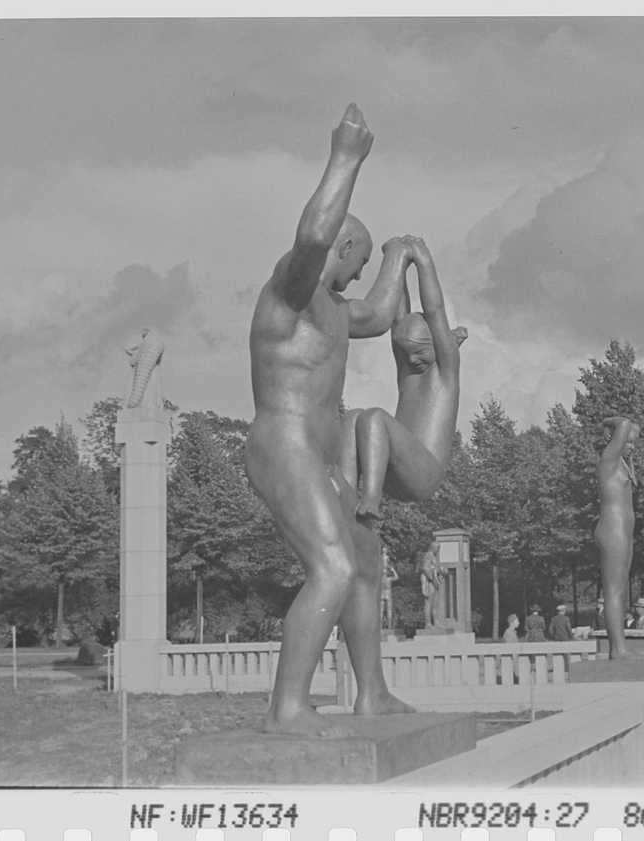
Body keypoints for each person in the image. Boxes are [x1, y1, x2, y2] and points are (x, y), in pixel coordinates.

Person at [243, 103, 413, 736]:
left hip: (321, 450)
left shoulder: (338, 310)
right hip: (281, 442)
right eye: (360, 260)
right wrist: (346, 158)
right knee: (334, 568)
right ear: (341, 246)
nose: (358, 274)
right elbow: (312, 239)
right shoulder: (289, 290)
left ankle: (372, 694)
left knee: (365, 560)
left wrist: (400, 255)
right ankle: (287, 707)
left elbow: (380, 311)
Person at [341, 236, 467, 519]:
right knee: (352, 418)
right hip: (393, 470)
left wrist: (422, 259)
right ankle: (347, 498)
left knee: (374, 418)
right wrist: (395, 260)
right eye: (405, 353)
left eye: (419, 352)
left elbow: (434, 311)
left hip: (424, 474)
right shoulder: (409, 369)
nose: (411, 360)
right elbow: (397, 317)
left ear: (438, 342)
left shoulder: (445, 371)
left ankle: (370, 503)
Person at [594, 417, 641, 658]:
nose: (631, 446)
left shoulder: (621, 462)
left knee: (620, 591)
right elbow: (623, 422)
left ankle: (619, 646)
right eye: (628, 441)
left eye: (634, 443)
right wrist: (606, 423)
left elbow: (632, 427)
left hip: (622, 531)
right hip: (613, 529)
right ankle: (617, 649)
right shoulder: (608, 460)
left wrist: (630, 455)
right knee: (613, 591)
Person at [418, 542, 442, 628]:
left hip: (435, 581)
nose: (438, 550)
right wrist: (431, 579)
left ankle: (436, 623)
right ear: (433, 548)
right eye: (437, 548)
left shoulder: (434, 556)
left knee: (435, 603)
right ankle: (428, 623)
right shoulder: (428, 556)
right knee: (428, 602)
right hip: (429, 582)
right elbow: (425, 568)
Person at [380, 545, 398, 630]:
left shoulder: (380, 579)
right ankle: (389, 626)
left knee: (381, 610)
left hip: (381, 593)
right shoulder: (389, 579)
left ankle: (380, 627)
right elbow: (397, 577)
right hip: (388, 593)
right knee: (389, 610)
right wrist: (392, 569)